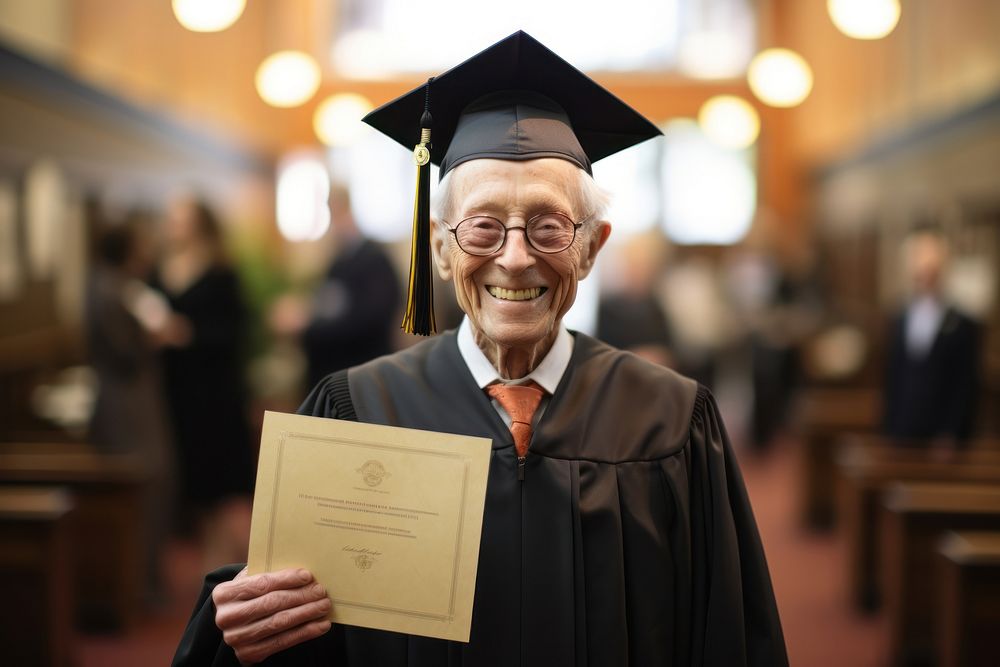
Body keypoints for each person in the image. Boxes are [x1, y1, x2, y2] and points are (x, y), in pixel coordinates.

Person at [173, 31, 787, 666]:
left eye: (549, 226)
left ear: (592, 247)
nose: (516, 257)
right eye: (484, 226)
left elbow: (731, 640)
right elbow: (296, 642)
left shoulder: (672, 422)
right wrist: (240, 630)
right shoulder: (356, 410)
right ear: (440, 247)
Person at [151, 196, 256, 567]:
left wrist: (187, 334)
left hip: (216, 393)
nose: (174, 225)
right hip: (177, 391)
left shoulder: (221, 271)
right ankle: (211, 570)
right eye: (172, 218)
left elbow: (235, 332)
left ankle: (236, 566)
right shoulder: (159, 270)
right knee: (195, 489)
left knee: (225, 489)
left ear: (201, 224)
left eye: (182, 218)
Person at [85, 215, 175, 606]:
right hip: (124, 404)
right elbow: (123, 352)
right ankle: (136, 586)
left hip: (132, 399)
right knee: (142, 487)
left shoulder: (115, 285)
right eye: (139, 248)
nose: (146, 255)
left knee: (153, 486)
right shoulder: (107, 289)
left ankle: (144, 581)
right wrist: (152, 338)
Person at [269, 182, 401, 389]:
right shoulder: (338, 261)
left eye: (335, 211)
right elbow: (328, 302)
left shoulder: (373, 259)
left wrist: (308, 326)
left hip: (360, 375)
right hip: (331, 372)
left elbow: (370, 319)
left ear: (345, 209)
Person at [882, 228, 981, 446]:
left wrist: (951, 432)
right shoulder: (900, 318)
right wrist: (889, 427)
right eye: (920, 271)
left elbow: (965, 385)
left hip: (940, 435)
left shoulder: (961, 324)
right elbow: (894, 377)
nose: (925, 276)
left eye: (931, 270)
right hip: (903, 431)